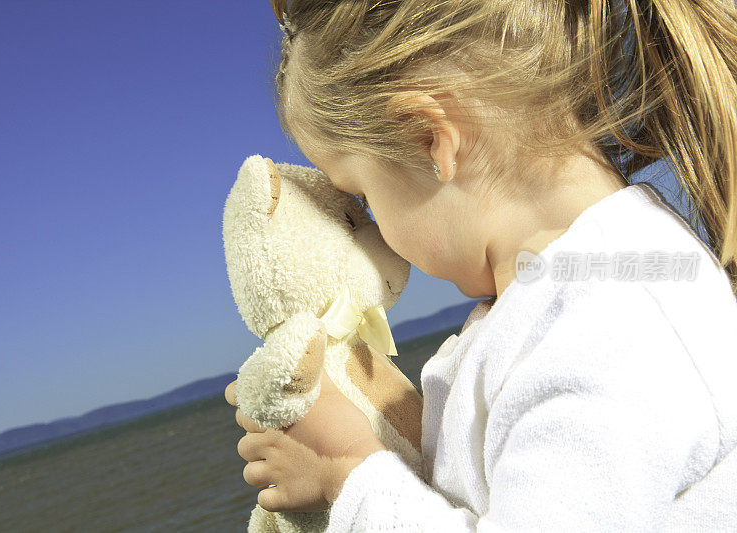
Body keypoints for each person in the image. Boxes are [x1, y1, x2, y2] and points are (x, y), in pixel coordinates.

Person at [224, 0, 737, 530]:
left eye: (365, 199)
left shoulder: (611, 330)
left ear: (430, 141)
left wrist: (348, 469)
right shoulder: (570, 298)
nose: (377, 236)